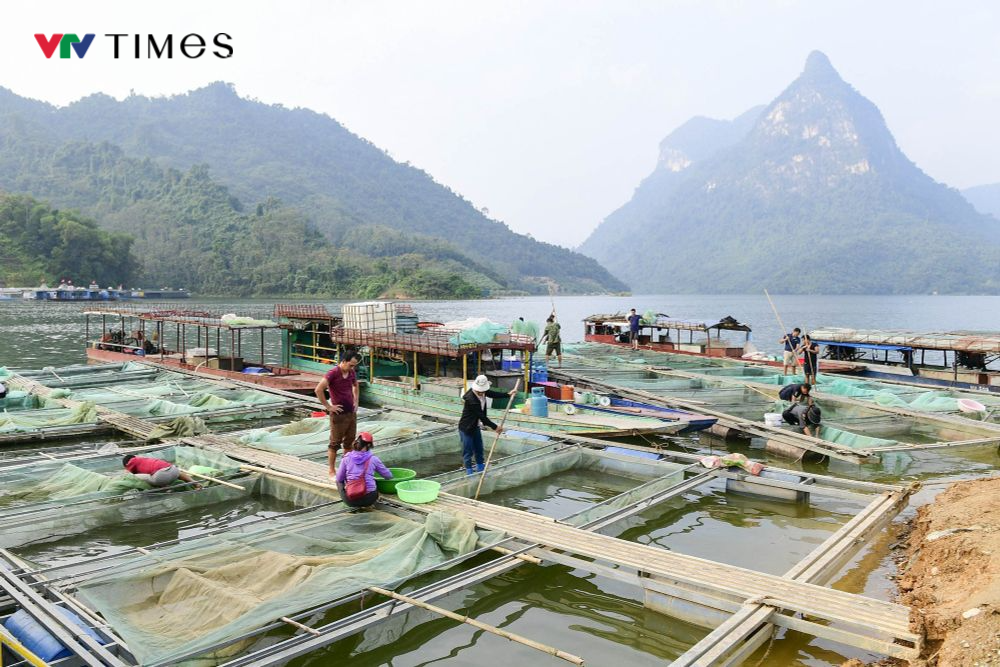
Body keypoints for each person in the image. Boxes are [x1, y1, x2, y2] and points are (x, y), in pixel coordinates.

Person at [314, 351, 361, 479]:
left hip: (351, 413)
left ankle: (345, 469)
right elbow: (318, 389)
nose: (353, 368)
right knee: (335, 443)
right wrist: (329, 407)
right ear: (344, 361)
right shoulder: (333, 373)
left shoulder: (351, 373)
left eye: (354, 366)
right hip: (338, 415)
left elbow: (356, 385)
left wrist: (356, 401)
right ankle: (331, 471)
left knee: (350, 442)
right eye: (351, 365)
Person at [459, 375, 517, 475]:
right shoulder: (471, 399)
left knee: (479, 448)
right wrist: (495, 427)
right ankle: (469, 471)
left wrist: (507, 394)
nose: (482, 393)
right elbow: (482, 417)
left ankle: (481, 468)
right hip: (466, 428)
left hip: (475, 426)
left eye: (483, 391)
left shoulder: (483, 392)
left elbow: (493, 394)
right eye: (480, 391)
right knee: (468, 451)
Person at [335, 431, 392, 508]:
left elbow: (339, 478)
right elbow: (388, 476)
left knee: (338, 481)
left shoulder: (346, 458)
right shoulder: (373, 459)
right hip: (369, 499)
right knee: (372, 480)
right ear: (369, 445)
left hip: (351, 500)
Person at [122, 454, 199, 488]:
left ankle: (161, 487)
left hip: (161, 477)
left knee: (132, 477)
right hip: (174, 470)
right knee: (178, 472)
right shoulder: (144, 460)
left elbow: (126, 475)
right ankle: (195, 483)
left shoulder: (132, 460)